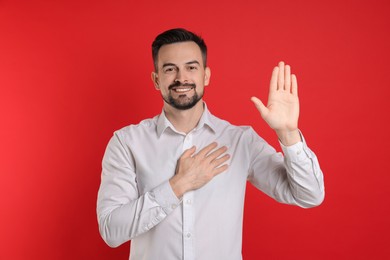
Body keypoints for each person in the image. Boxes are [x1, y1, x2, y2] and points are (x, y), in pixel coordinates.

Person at [97, 28, 325, 260]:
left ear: (205, 76)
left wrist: (288, 133)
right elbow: (111, 230)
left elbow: (309, 195)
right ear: (157, 80)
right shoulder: (126, 142)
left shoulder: (240, 141)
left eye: (191, 67)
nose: (181, 78)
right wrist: (178, 185)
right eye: (169, 69)